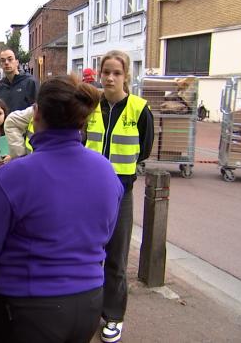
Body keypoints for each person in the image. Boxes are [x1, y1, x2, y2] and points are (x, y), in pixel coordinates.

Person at [0, 75, 123, 343]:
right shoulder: (106, 170)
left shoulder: (15, 175)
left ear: (36, 114)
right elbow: (104, 233)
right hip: (88, 302)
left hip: (29, 308)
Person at [84, 50, 154, 343]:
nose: (110, 78)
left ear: (126, 76)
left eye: (116, 73)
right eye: (105, 72)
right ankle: (87, 310)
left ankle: (113, 316)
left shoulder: (139, 108)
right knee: (87, 253)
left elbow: (146, 148)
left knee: (116, 257)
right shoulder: (90, 106)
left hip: (120, 194)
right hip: (88, 194)